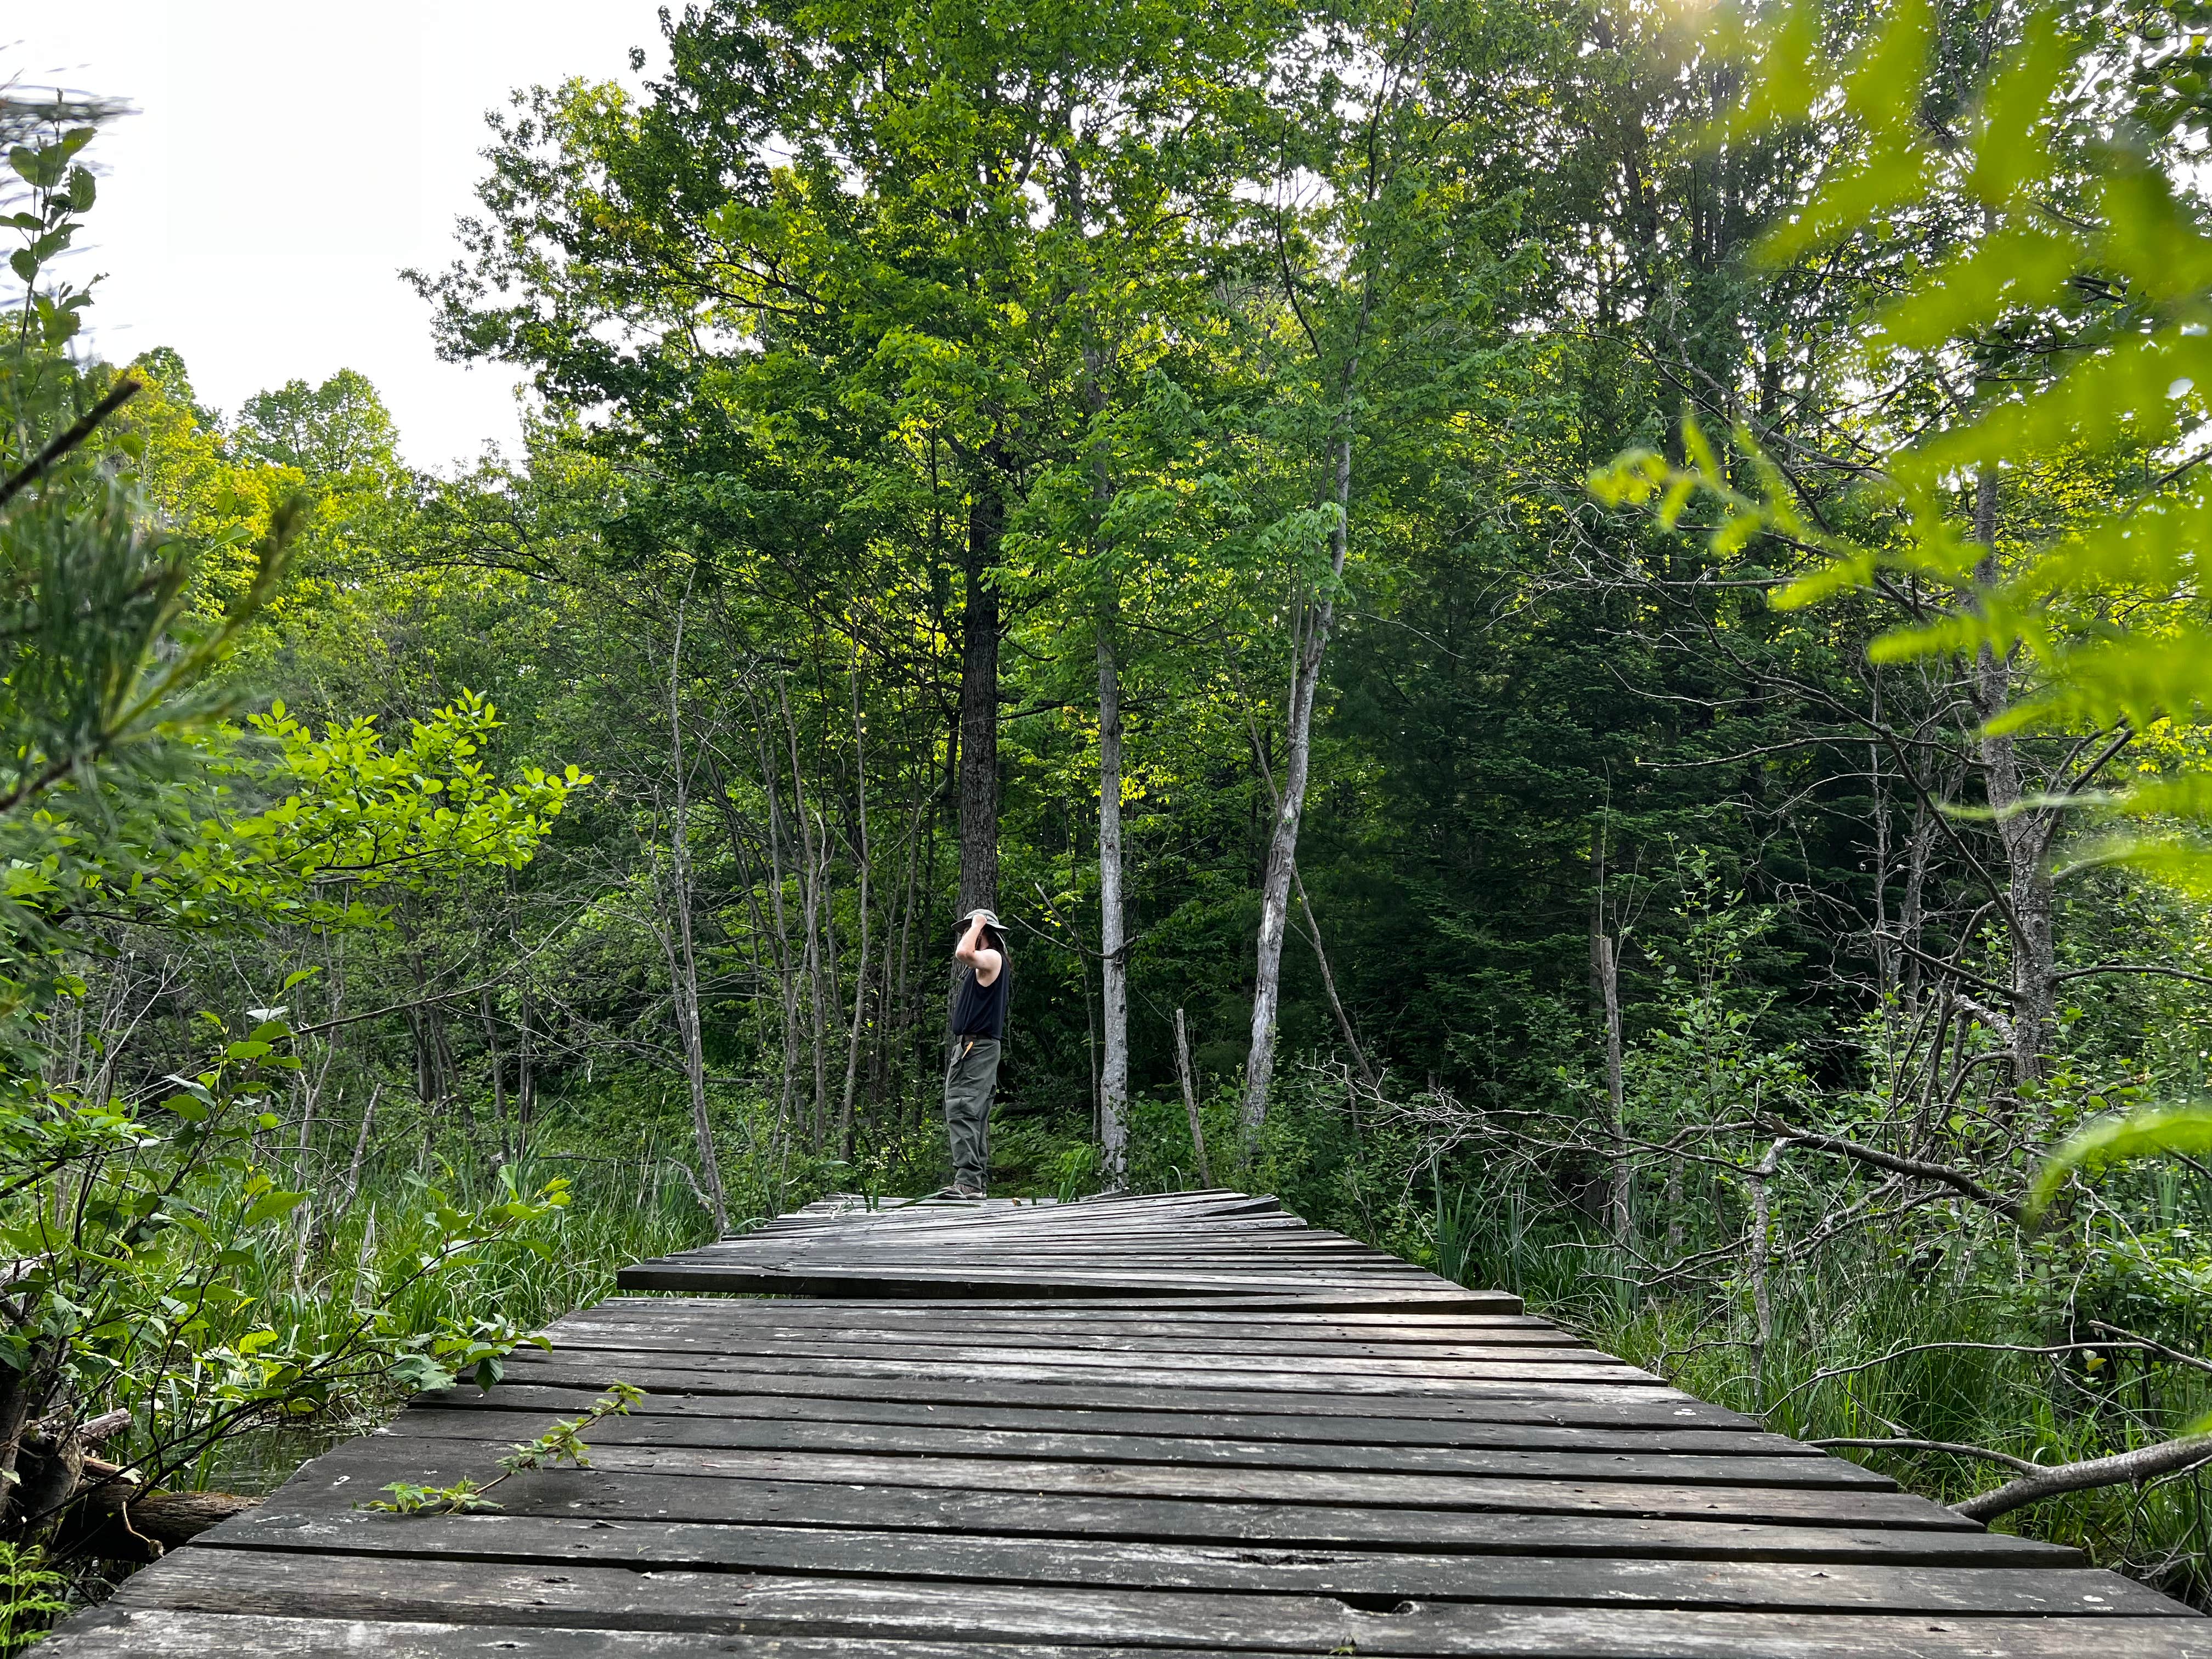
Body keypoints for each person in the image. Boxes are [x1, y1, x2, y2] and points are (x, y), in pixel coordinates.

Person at [941, 908, 1009, 1199]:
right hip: (976, 1047)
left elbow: (963, 953)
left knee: (963, 1107)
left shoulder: (993, 957)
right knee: (973, 1113)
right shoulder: (989, 964)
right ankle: (974, 1185)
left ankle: (968, 1182)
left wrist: (980, 922)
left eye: (970, 930)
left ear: (982, 932)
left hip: (977, 1048)